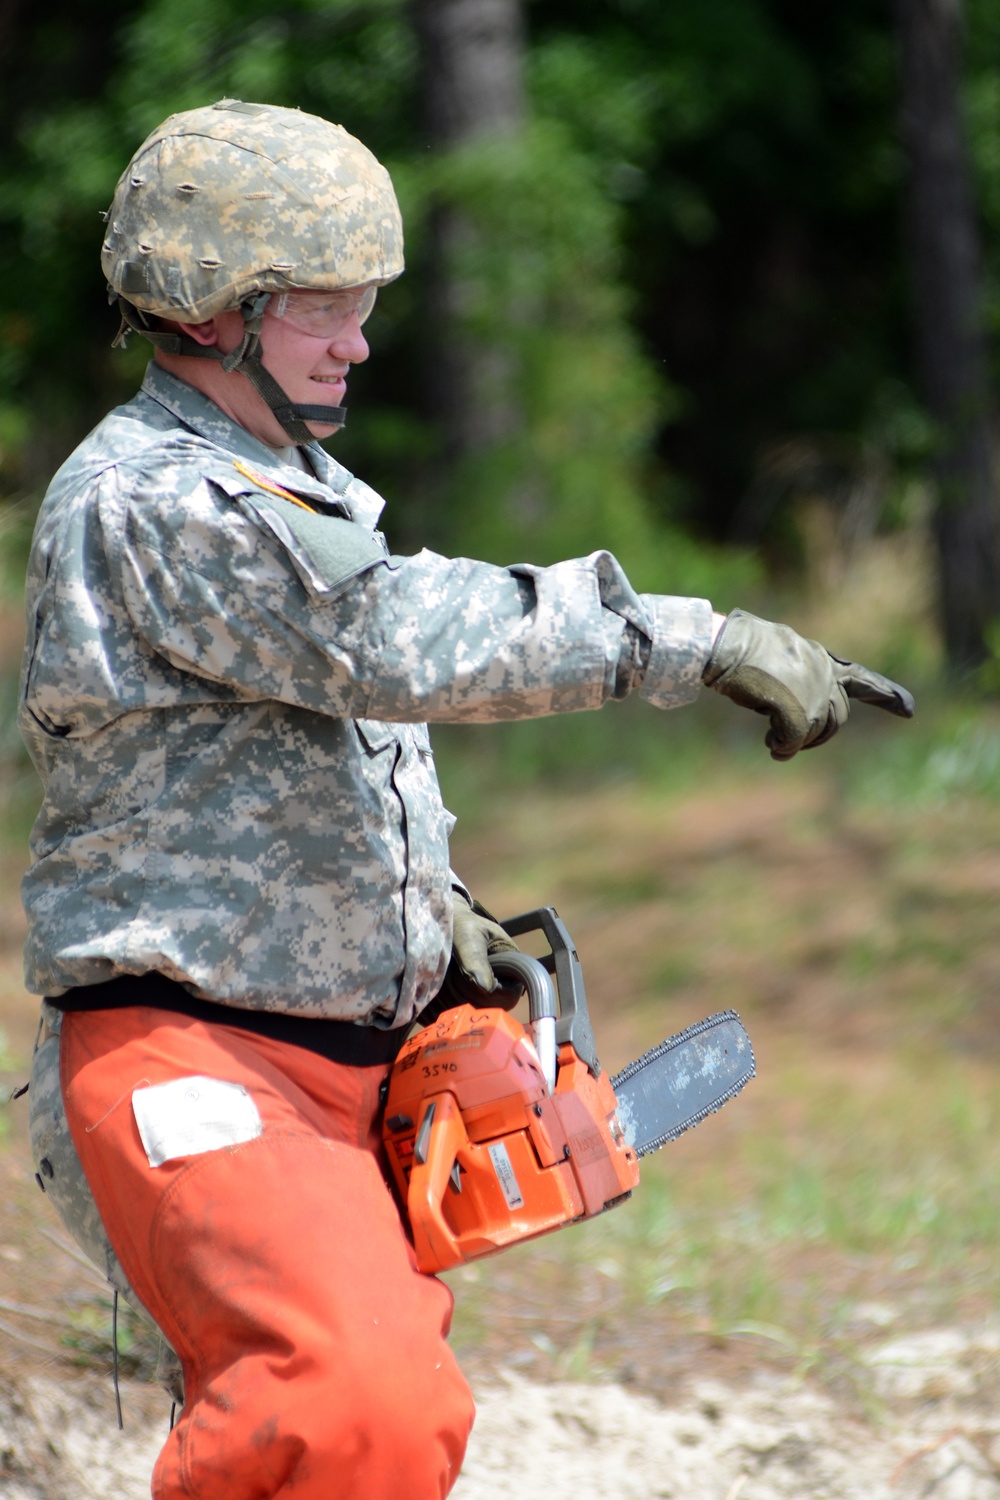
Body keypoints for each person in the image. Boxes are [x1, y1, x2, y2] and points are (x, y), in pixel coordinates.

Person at [20, 100, 913, 1500]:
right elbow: (385, 640)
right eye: (326, 308)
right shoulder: (152, 499)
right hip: (195, 1058)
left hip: (329, 1056)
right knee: (344, 1407)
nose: (359, 341)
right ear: (217, 309)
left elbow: (293, 748)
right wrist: (687, 639)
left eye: (365, 307)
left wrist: (433, 919)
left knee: (392, 1419)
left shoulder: (296, 484)